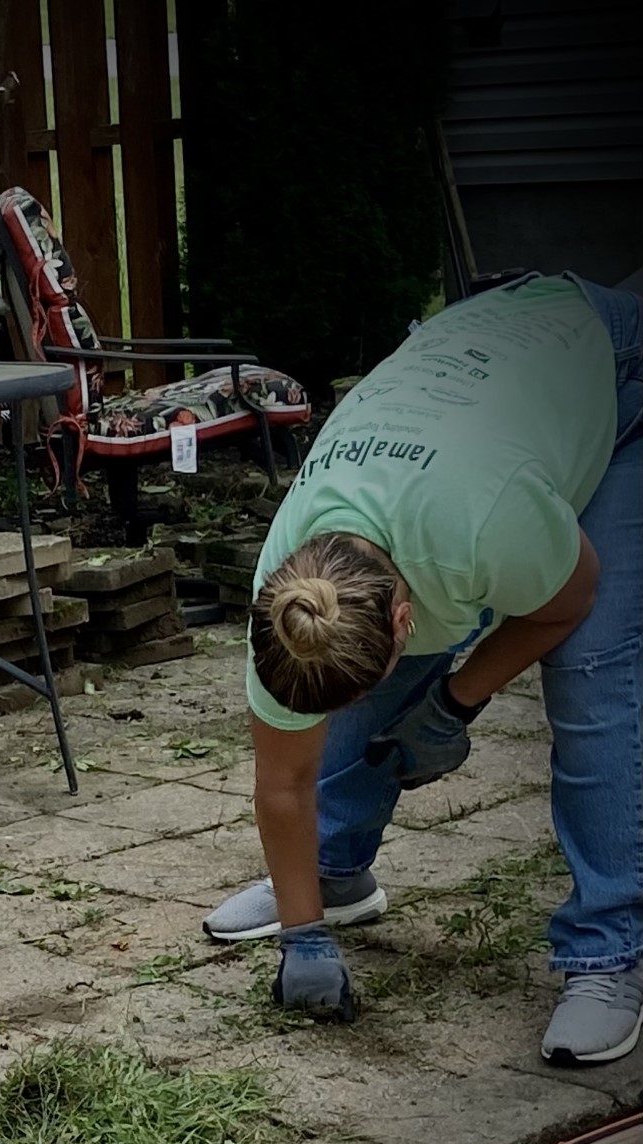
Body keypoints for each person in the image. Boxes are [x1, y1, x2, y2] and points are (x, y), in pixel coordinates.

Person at [202, 273, 641, 1066]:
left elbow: (571, 595)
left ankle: (608, 953)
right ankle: (331, 879)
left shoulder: (484, 526)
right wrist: (302, 937)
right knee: (365, 693)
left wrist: (457, 699)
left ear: (407, 620)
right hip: (478, 391)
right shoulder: (291, 595)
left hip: (608, 373)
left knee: (591, 676)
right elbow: (281, 778)